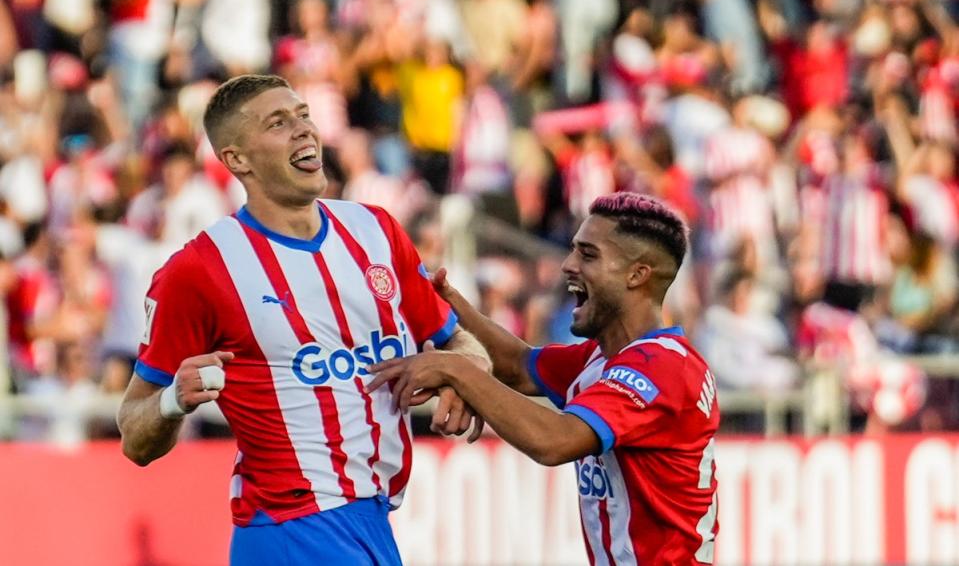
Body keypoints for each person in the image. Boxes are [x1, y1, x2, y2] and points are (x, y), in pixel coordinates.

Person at [116, 74, 489, 566]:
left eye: (304, 115)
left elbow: (460, 341)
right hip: (293, 526)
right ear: (236, 160)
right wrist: (172, 401)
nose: (303, 130)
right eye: (277, 123)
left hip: (373, 520)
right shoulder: (200, 270)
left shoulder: (375, 231)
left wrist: (460, 376)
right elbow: (133, 434)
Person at [368, 192, 720, 564]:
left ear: (637, 275)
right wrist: (445, 302)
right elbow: (517, 365)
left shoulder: (662, 368)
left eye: (588, 254)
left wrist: (455, 368)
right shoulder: (608, 358)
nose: (568, 265)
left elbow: (554, 441)